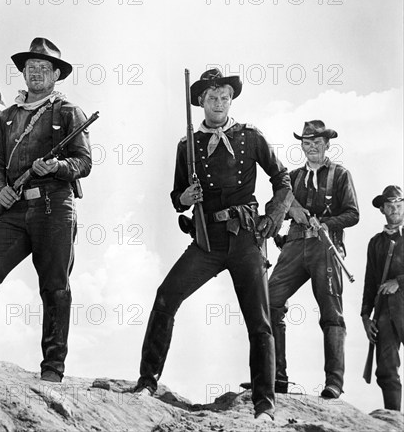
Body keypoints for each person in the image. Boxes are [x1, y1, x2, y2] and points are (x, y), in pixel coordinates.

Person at [133, 68, 293, 420]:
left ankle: (264, 405)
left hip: (246, 238)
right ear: (201, 102)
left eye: (224, 97)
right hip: (206, 241)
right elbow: (177, 196)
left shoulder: (251, 137)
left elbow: (283, 178)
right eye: (212, 98)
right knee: (165, 296)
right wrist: (183, 197)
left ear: (231, 100)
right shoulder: (185, 145)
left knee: (260, 320)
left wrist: (273, 217)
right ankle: (147, 382)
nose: (219, 103)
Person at [0, 38, 92, 383]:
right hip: (13, 209)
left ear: (56, 74)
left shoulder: (68, 112)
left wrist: (57, 168)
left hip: (54, 206)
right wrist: (0, 192)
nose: (37, 72)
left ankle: (53, 369)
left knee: (55, 286)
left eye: (44, 67)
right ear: (24, 72)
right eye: (31, 67)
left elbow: (84, 162)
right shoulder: (7, 117)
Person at [266, 121, 359, 399]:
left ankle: (334, 383)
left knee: (331, 313)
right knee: (268, 302)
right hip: (294, 245)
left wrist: (328, 223)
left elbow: (353, 214)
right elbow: (279, 208)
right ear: (302, 146)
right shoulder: (292, 177)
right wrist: (280, 227)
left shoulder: (340, 174)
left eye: (317, 142)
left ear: (327, 144)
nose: (312, 147)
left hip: (325, 248)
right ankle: (275, 377)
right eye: (307, 142)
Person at [361, 185, 404, 411]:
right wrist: (365, 316)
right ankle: (395, 421)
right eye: (390, 206)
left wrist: (399, 282)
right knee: (386, 369)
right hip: (386, 310)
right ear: (382, 210)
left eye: (398, 205)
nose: (395, 210)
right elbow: (370, 283)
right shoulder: (375, 243)